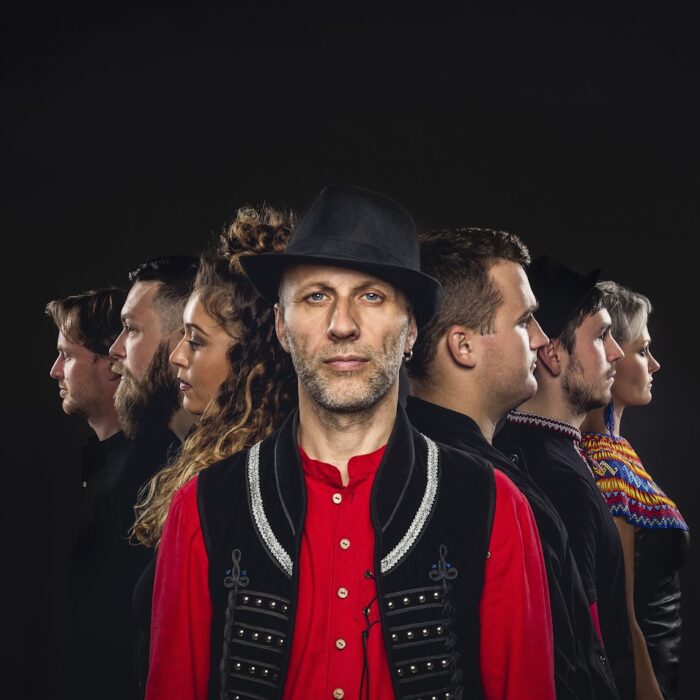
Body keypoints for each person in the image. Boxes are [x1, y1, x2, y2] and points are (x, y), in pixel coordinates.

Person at [145, 185, 555, 700]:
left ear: (410, 330)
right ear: (281, 326)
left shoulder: (494, 505)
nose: (342, 325)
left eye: (371, 296)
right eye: (316, 296)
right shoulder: (203, 508)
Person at [406, 227, 620, 699]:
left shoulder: (415, 462)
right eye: (525, 322)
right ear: (463, 346)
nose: (542, 339)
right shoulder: (486, 490)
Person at [129, 206, 297, 692]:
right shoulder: (208, 466)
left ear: (254, 361)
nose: (177, 356)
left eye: (197, 342)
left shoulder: (259, 491)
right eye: (182, 337)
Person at [494, 255, 635, 699]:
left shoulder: (552, 454)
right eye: (602, 336)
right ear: (553, 354)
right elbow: (583, 648)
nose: (616, 352)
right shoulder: (556, 479)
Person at [581, 282, 689, 700]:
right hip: (641, 680)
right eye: (643, 351)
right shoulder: (603, 468)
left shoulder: (618, 453)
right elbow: (621, 618)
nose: (655, 365)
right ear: (610, 354)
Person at [46, 286, 139, 700]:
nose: (55, 371)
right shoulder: (103, 468)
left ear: (113, 362)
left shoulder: (136, 480)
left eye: (67, 356)